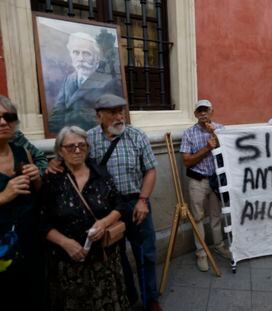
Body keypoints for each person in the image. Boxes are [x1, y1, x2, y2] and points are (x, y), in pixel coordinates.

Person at [47, 94, 162, 310]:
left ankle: (150, 299)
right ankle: (129, 296)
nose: (119, 116)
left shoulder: (137, 136)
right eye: (113, 112)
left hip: (136, 203)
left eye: (121, 111)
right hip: (106, 210)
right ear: (99, 115)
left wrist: (143, 200)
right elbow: (74, 155)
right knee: (117, 255)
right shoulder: (88, 139)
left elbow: (150, 170)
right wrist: (55, 161)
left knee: (145, 253)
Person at [40, 126, 130, 310]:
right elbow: (41, 221)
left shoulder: (100, 174)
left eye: (82, 145)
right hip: (69, 264)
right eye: (70, 146)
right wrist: (66, 243)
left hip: (104, 261)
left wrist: (104, 223)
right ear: (60, 151)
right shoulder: (52, 180)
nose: (77, 150)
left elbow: (121, 205)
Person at [0, 96, 44, 309]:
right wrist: (3, 196)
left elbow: (38, 195)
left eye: (8, 117)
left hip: (29, 240)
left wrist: (37, 178)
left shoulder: (23, 152)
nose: (3, 122)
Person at [180, 99, 231, 272]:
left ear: (211, 112)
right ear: (195, 114)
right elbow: (186, 161)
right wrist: (206, 148)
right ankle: (201, 252)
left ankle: (219, 245)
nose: (203, 114)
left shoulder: (221, 129)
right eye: (199, 111)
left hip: (216, 180)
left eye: (206, 110)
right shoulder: (189, 133)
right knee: (198, 217)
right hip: (198, 181)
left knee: (216, 215)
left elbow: (230, 152)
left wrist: (215, 135)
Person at [48, 32, 122, 135]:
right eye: (76, 52)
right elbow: (57, 112)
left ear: (96, 57)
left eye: (86, 53)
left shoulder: (108, 82)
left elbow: (112, 116)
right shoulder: (69, 79)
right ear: (71, 55)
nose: (80, 59)